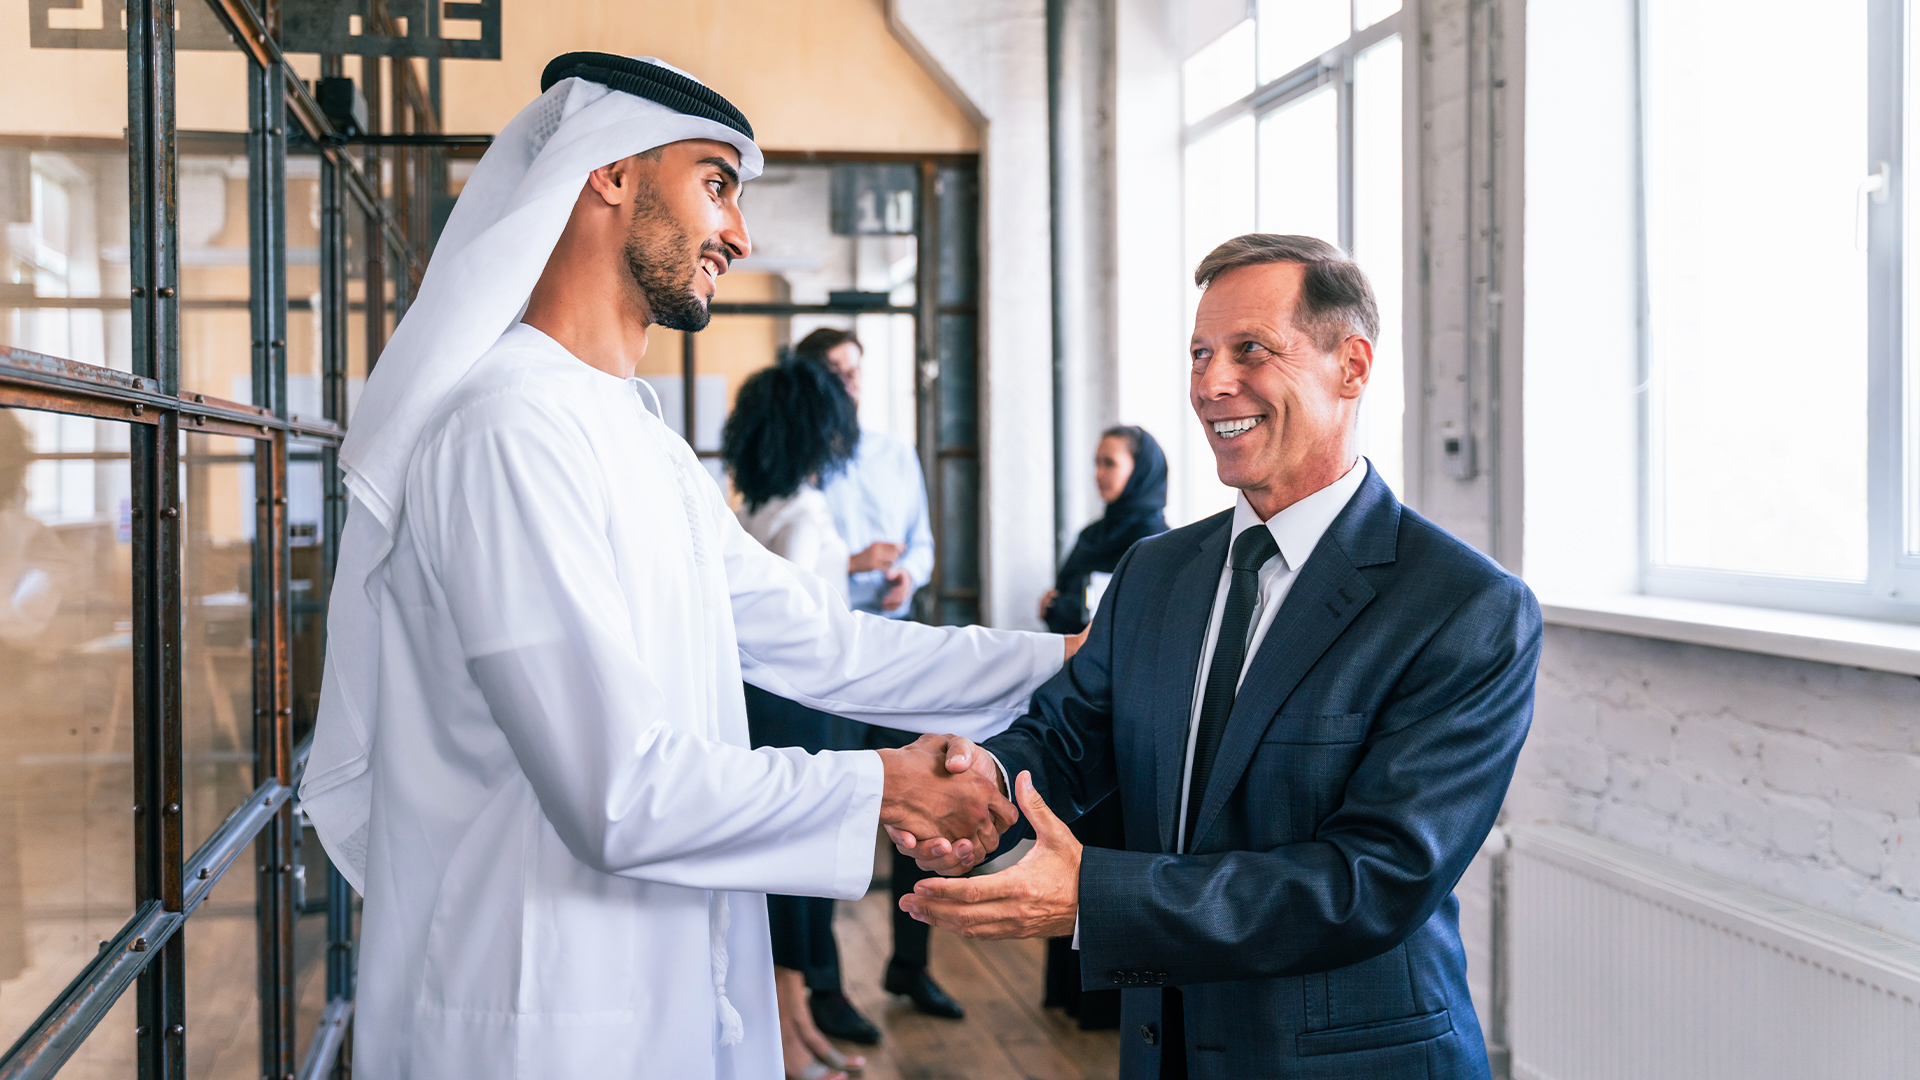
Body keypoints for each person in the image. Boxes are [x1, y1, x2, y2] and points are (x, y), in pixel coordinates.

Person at [299, 53, 1077, 1080]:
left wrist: (1074, 659)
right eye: (715, 183)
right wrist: (883, 786)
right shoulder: (507, 431)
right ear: (608, 172)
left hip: (655, 981)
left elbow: (821, 643)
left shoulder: (638, 437)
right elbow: (616, 790)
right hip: (529, 1013)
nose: (739, 236)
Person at [898, 234, 1543, 1080]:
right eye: (1200, 353)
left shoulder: (1466, 608)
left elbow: (1373, 878)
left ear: (1352, 366)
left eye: (1251, 351)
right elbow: (1065, 740)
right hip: (1165, 1050)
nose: (1211, 384)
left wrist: (1095, 897)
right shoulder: (1156, 570)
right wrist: (977, 791)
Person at [792, 327, 967, 1036]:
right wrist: (856, 563)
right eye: (835, 371)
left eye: (856, 370)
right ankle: (824, 987)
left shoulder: (896, 455)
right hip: (827, 666)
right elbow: (792, 567)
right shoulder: (802, 464)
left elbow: (922, 540)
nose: (849, 383)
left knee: (926, 811)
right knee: (829, 819)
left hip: (894, 657)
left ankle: (911, 964)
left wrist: (906, 574)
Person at [721, 356, 868, 1080]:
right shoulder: (804, 512)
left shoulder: (751, 505)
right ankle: (786, 1042)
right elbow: (806, 621)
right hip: (802, 705)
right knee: (795, 874)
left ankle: (792, 1028)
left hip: (757, 705)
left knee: (774, 872)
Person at [1034, 424, 1168, 1031]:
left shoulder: (1163, 545)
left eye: (1110, 462)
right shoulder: (1094, 534)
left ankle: (1115, 1002)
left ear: (1138, 470)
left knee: (1112, 852)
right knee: (1070, 845)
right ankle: (1074, 994)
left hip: (1130, 723)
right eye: (1095, 461)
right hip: (1086, 707)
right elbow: (1069, 602)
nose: (1099, 474)